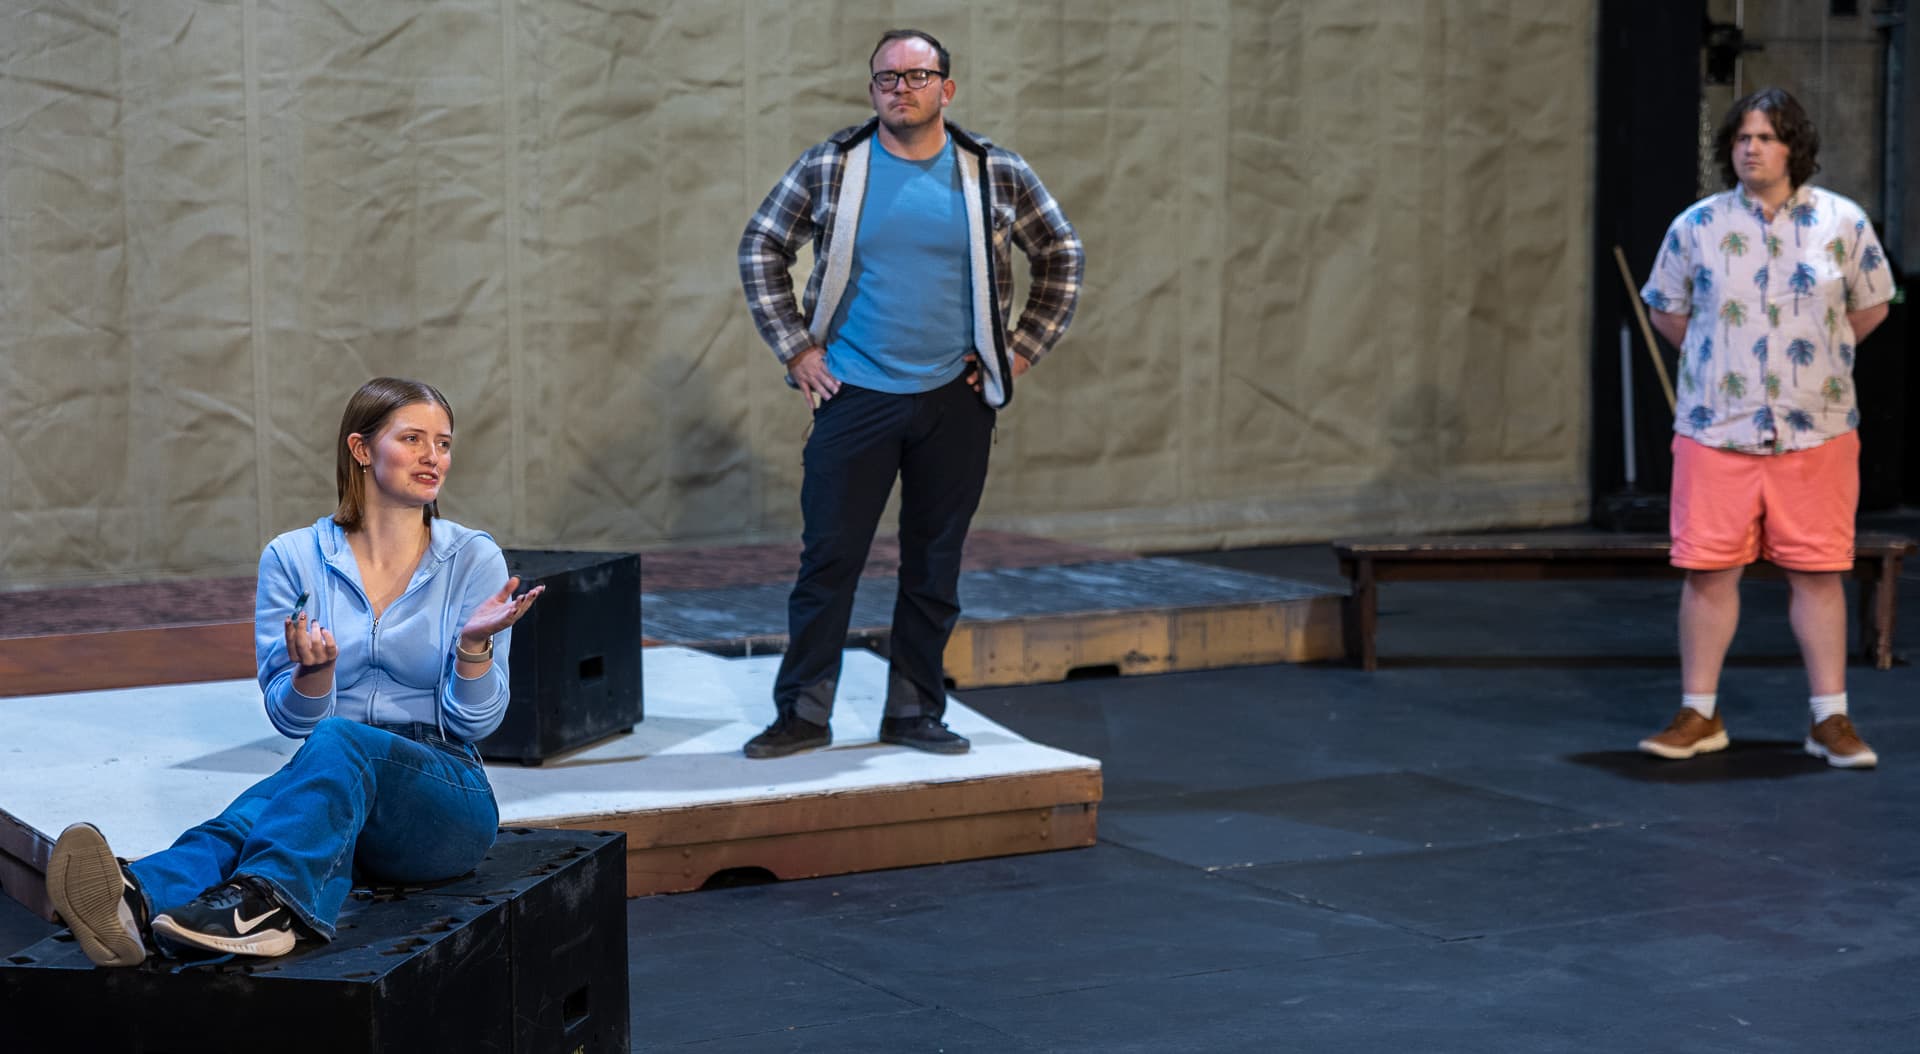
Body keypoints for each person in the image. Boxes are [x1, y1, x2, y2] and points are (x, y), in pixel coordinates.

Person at [45, 377, 543, 965]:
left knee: (320, 760)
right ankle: (132, 902)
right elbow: (290, 717)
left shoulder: (472, 557)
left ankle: (267, 907)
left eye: (443, 443)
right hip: (336, 778)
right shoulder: (293, 557)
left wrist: (472, 647)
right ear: (361, 449)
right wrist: (316, 675)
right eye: (413, 439)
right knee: (250, 819)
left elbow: (476, 721)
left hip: (443, 795)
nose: (433, 456)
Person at [736, 28, 1083, 759]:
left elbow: (1061, 252)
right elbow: (762, 244)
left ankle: (915, 710)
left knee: (935, 563)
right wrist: (797, 347)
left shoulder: (992, 170)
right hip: (854, 395)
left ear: (945, 90)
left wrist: (1018, 352)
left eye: (917, 76)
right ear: (873, 91)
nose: (902, 88)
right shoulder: (834, 164)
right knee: (829, 562)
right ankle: (803, 713)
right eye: (887, 78)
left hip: (954, 400)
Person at [1637, 88, 1894, 768]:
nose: (1751, 147)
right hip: (1715, 428)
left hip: (1818, 431)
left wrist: (1813, 369)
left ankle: (1828, 720)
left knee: (1817, 573)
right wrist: (1722, 366)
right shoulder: (1696, 225)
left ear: (1794, 147)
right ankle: (1699, 711)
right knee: (1708, 572)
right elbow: (1667, 312)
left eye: (1767, 136)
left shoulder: (1843, 221)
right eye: (1743, 137)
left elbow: (1869, 310)